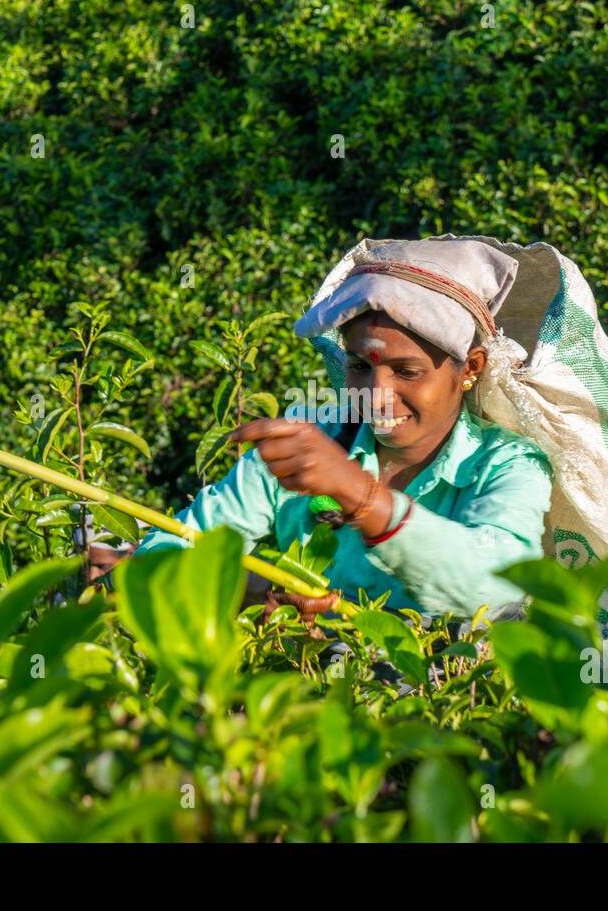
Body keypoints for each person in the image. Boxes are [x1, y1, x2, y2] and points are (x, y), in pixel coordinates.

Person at [96, 239, 555, 630]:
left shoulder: (508, 464)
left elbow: (494, 588)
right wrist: (253, 590)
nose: (377, 395)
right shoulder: (311, 442)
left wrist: (359, 495)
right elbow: (178, 543)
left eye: (407, 372)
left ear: (471, 368)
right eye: (360, 367)